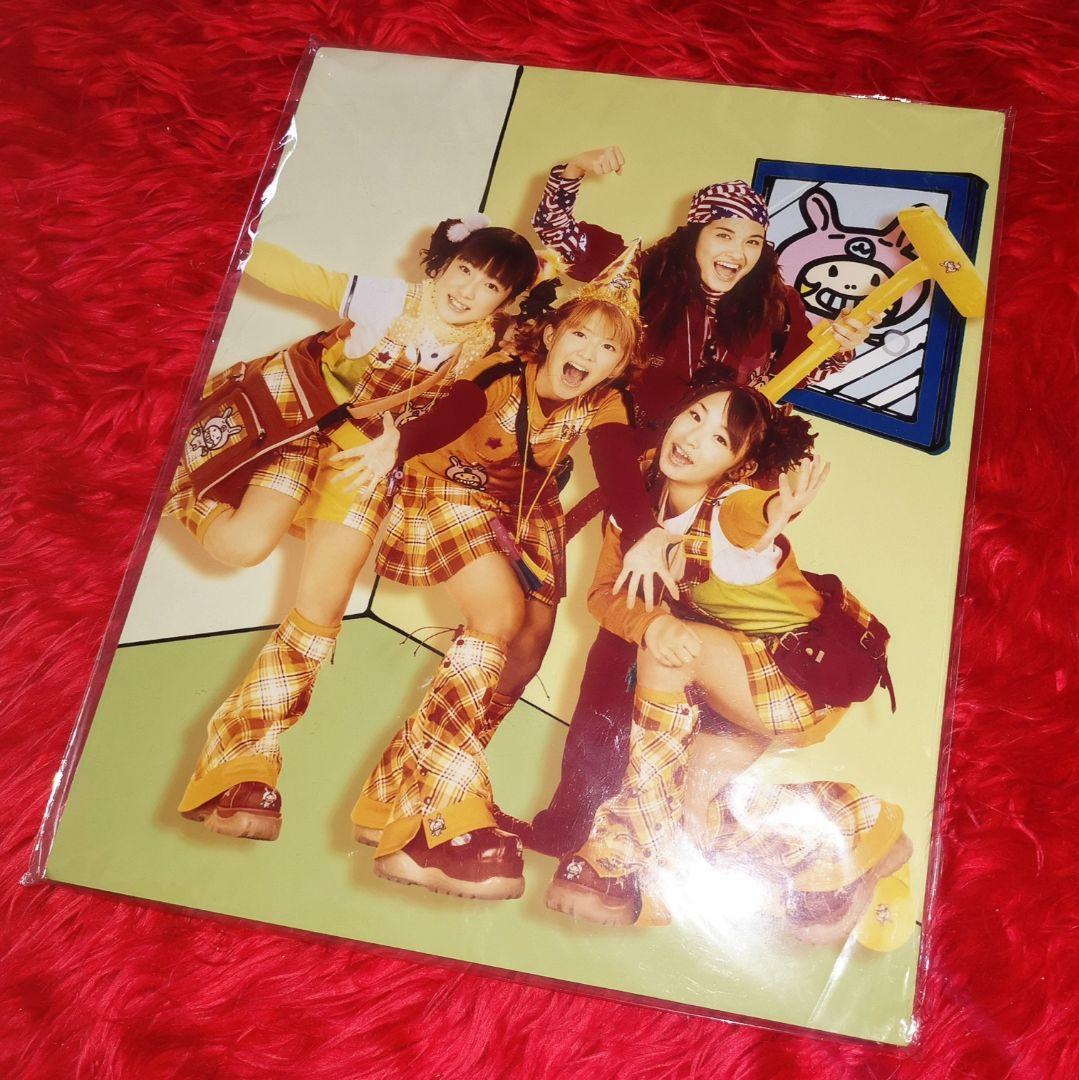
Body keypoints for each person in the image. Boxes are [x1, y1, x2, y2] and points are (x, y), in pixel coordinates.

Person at [529, 147, 879, 854]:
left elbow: (796, 377)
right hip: (640, 479)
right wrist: (569, 173)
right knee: (616, 652)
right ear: (694, 233)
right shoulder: (638, 273)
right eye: (724, 233)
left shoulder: (772, 305)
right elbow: (557, 233)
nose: (738, 252)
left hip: (720, 491)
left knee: (693, 650)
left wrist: (842, 346)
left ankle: (651, 838)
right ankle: (573, 824)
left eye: (753, 241)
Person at [175, 218, 541, 839]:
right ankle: (181, 489)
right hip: (298, 429)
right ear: (444, 265)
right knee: (243, 545)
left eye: (489, 287)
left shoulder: (483, 348)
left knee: (323, 608)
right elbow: (303, 277)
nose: (468, 291)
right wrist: (226, 240)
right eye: (465, 271)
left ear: (504, 302)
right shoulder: (388, 300)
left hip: (364, 461)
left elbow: (465, 404)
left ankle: (240, 760)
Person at [544, 383, 910, 946]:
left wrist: (776, 509)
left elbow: (749, 518)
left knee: (670, 651)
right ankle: (853, 828)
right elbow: (603, 594)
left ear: (738, 466)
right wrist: (650, 621)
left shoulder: (730, 507)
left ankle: (619, 853)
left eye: (719, 439)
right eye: (694, 416)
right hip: (735, 680)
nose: (692, 439)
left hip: (796, 678)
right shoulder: (636, 507)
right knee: (695, 810)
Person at [346, 244, 658, 901]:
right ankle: (442, 808)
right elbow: (450, 416)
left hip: (525, 508)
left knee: (526, 649)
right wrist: (399, 444)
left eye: (609, 348)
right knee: (497, 617)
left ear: (619, 365)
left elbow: (618, 472)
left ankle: (392, 794)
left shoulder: (605, 404)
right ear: (551, 335)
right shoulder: (503, 371)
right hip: (447, 487)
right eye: (580, 334)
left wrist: (647, 535)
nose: (590, 354)